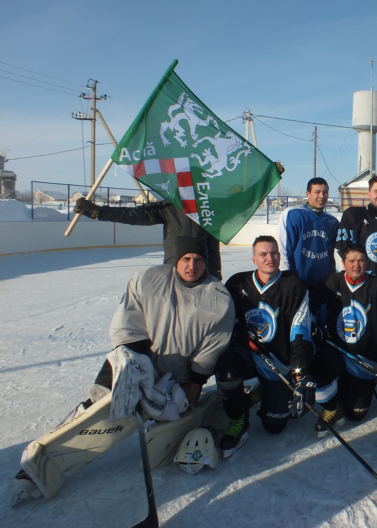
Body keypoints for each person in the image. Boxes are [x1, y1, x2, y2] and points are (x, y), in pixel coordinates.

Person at [14, 236, 235, 500]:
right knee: (99, 405)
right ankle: (43, 461)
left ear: (206, 262)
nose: (192, 265)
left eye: (198, 259)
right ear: (176, 260)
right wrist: (136, 363)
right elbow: (129, 317)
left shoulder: (219, 298)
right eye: (186, 259)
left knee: (148, 415)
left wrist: (195, 386)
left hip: (174, 378)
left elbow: (211, 348)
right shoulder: (149, 279)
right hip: (134, 360)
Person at [214, 235, 313, 455]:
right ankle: (239, 418)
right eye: (263, 254)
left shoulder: (293, 285)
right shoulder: (237, 283)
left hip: (277, 358)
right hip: (248, 352)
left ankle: (259, 393)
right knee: (227, 367)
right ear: (253, 259)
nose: (270, 258)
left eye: (274, 253)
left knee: (274, 427)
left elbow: (300, 329)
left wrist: (300, 373)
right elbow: (220, 315)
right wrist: (235, 327)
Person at [308, 243, 377, 437]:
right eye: (351, 261)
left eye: (361, 260)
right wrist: (314, 327)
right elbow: (307, 310)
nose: (356, 265)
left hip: (364, 358)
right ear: (343, 263)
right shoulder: (331, 282)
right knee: (314, 367)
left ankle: (350, 390)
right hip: (336, 350)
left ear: (366, 261)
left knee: (356, 414)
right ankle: (333, 406)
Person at [73, 197, 222, 280]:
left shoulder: (214, 207)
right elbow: (136, 214)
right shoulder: (171, 207)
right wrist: (99, 212)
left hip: (207, 277)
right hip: (174, 276)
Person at [276, 177, 339, 290]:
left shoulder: (332, 221)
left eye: (325, 192)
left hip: (324, 284)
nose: (322, 196)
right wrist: (287, 278)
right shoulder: (293, 214)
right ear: (308, 193)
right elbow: (284, 249)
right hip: (299, 282)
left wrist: (333, 279)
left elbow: (332, 255)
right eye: (317, 192)